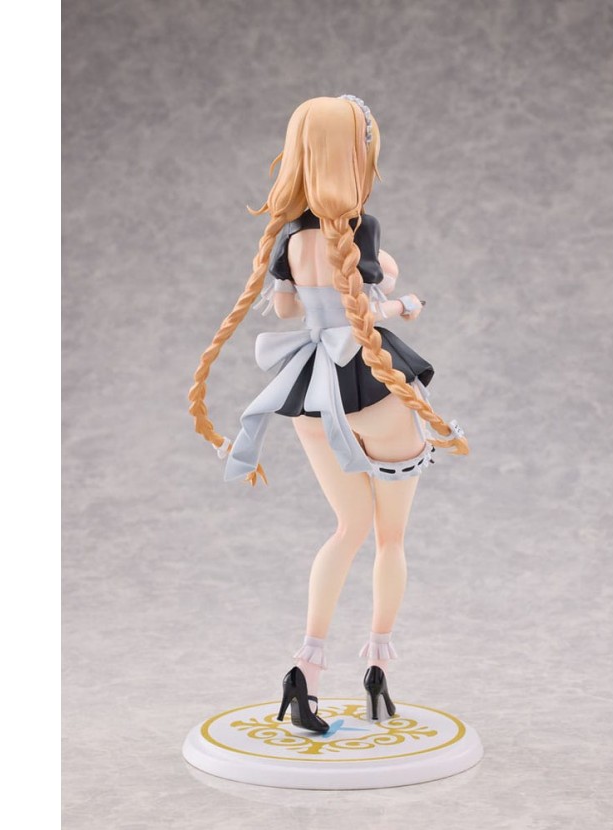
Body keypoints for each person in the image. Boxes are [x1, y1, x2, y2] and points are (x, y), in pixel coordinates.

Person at [188, 95, 468, 734]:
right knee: (390, 537)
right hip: (370, 387)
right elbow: (365, 311)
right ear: (355, 154)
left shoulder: (289, 238)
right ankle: (377, 671)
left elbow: (292, 312)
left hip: (312, 392)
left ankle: (305, 669)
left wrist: (354, 289)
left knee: (347, 529)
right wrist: (407, 302)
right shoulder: (362, 230)